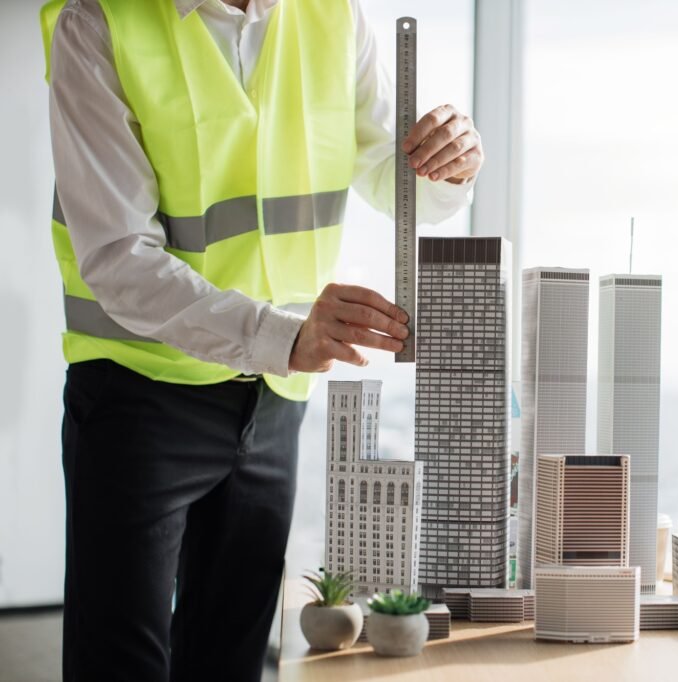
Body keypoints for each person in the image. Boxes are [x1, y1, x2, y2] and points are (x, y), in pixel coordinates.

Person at [42, 0, 484, 679]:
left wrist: (448, 167)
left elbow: (393, 178)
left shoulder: (334, 17)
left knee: (232, 662)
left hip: (274, 400)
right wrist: (282, 335)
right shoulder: (98, 23)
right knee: (120, 664)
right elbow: (119, 258)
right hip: (138, 398)